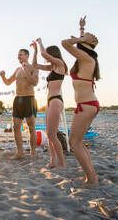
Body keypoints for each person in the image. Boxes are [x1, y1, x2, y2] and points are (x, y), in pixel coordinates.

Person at [61, 16, 100, 187]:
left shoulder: (87, 59)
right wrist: (81, 29)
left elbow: (65, 43)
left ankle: (92, 179)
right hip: (86, 105)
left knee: (74, 143)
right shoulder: (85, 58)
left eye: (82, 42)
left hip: (87, 105)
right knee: (78, 143)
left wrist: (82, 38)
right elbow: (76, 45)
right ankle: (91, 176)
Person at [32, 38, 67, 169]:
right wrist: (35, 51)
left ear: (53, 54)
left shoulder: (60, 64)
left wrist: (40, 43)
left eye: (48, 54)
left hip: (56, 100)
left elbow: (44, 54)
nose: (47, 58)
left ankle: (62, 163)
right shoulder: (52, 68)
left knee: (53, 134)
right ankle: (53, 161)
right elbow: (35, 65)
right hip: (49, 101)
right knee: (49, 134)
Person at [0, 48, 39, 159]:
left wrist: (27, 72)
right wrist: (3, 76)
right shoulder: (17, 69)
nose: (19, 57)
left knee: (31, 127)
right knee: (16, 127)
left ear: (27, 55)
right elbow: (8, 82)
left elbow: (35, 82)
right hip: (18, 99)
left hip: (29, 99)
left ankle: (33, 153)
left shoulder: (33, 68)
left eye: (21, 55)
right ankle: (20, 153)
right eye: (18, 55)